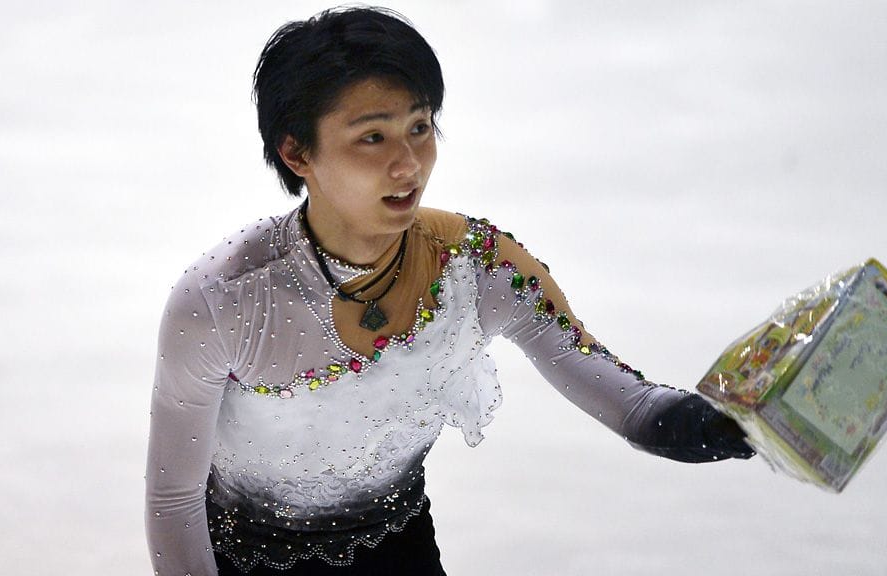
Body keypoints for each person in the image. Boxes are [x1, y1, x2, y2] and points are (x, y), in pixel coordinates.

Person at [145, 7, 754, 575]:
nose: (409, 163)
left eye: (420, 126)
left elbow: (626, 399)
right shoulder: (222, 302)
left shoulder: (476, 265)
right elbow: (174, 501)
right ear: (296, 151)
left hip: (401, 553)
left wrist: (719, 421)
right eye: (373, 137)